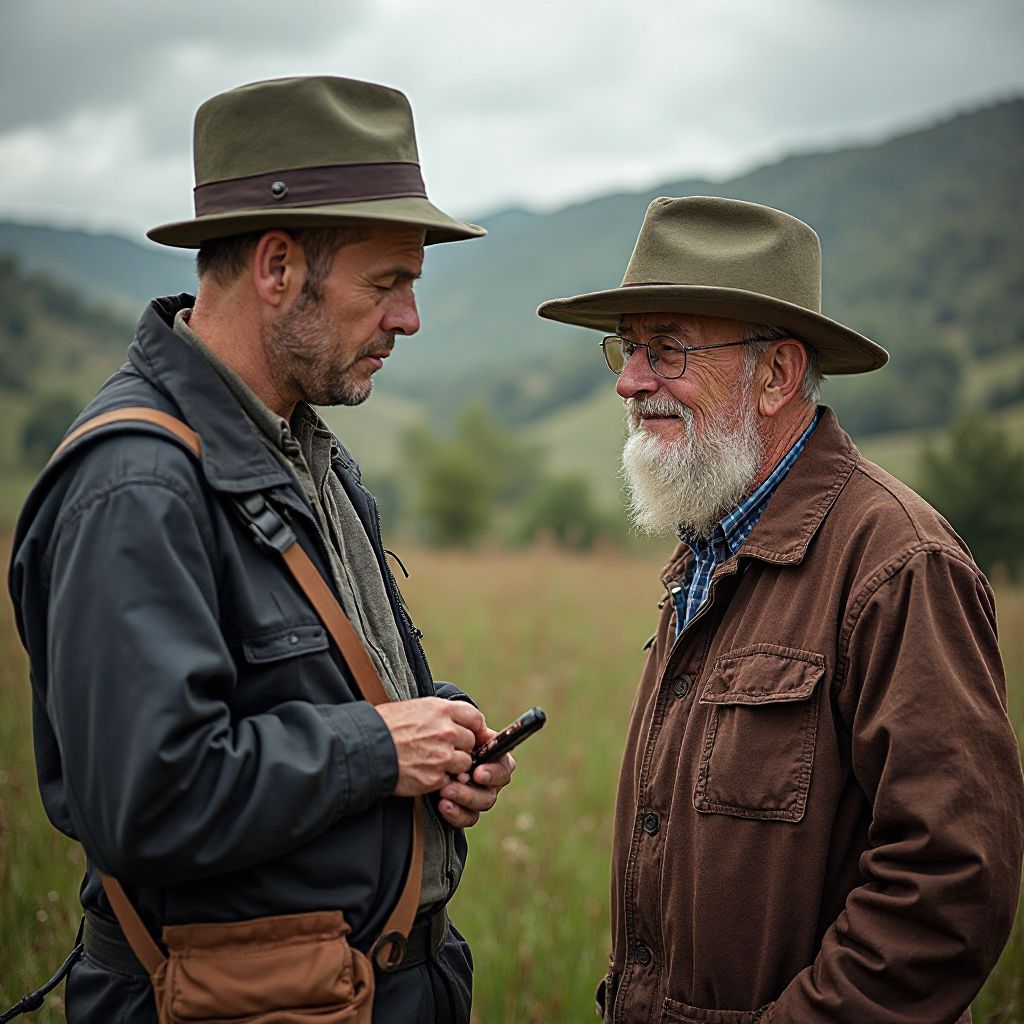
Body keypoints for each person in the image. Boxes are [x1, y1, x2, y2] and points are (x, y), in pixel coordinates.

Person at [8, 75, 514, 1024]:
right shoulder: (138, 487)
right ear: (277, 266)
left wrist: (440, 731)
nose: (408, 319)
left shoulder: (307, 451)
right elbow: (148, 800)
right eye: (388, 282)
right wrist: (379, 748)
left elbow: (312, 702)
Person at [537, 196, 1024, 1024]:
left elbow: (950, 885)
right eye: (626, 347)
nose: (628, 380)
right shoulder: (710, 543)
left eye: (666, 350)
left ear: (776, 375)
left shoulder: (901, 563)